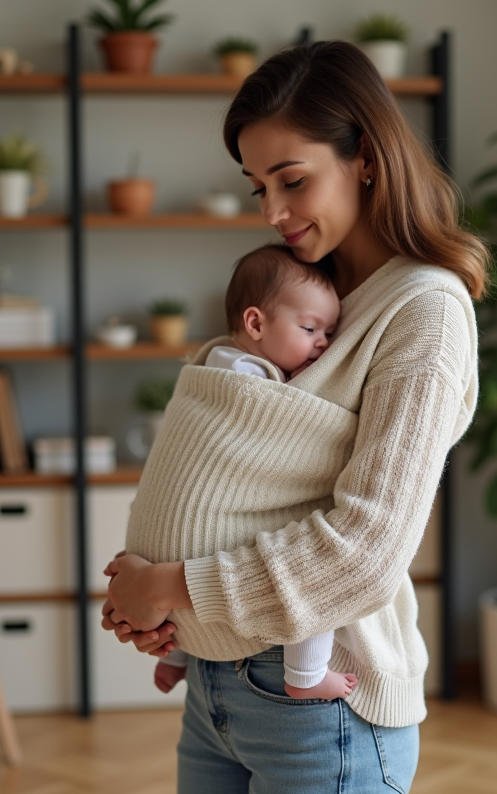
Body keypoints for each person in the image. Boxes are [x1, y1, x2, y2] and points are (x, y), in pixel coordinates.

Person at [101, 40, 488, 794]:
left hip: (325, 707)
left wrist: (173, 586)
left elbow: (365, 551)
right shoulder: (311, 296)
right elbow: (235, 463)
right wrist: (152, 600)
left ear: (366, 159)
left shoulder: (425, 312)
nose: (273, 212)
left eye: (293, 180)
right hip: (214, 685)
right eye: (256, 188)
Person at [153, 242, 359, 701]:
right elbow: (281, 447)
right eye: (310, 328)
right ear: (255, 323)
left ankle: (174, 656)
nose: (323, 343)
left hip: (169, 552)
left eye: (329, 331)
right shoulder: (249, 378)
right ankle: (306, 675)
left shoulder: (216, 359)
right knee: (311, 572)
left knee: (199, 557)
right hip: (203, 552)